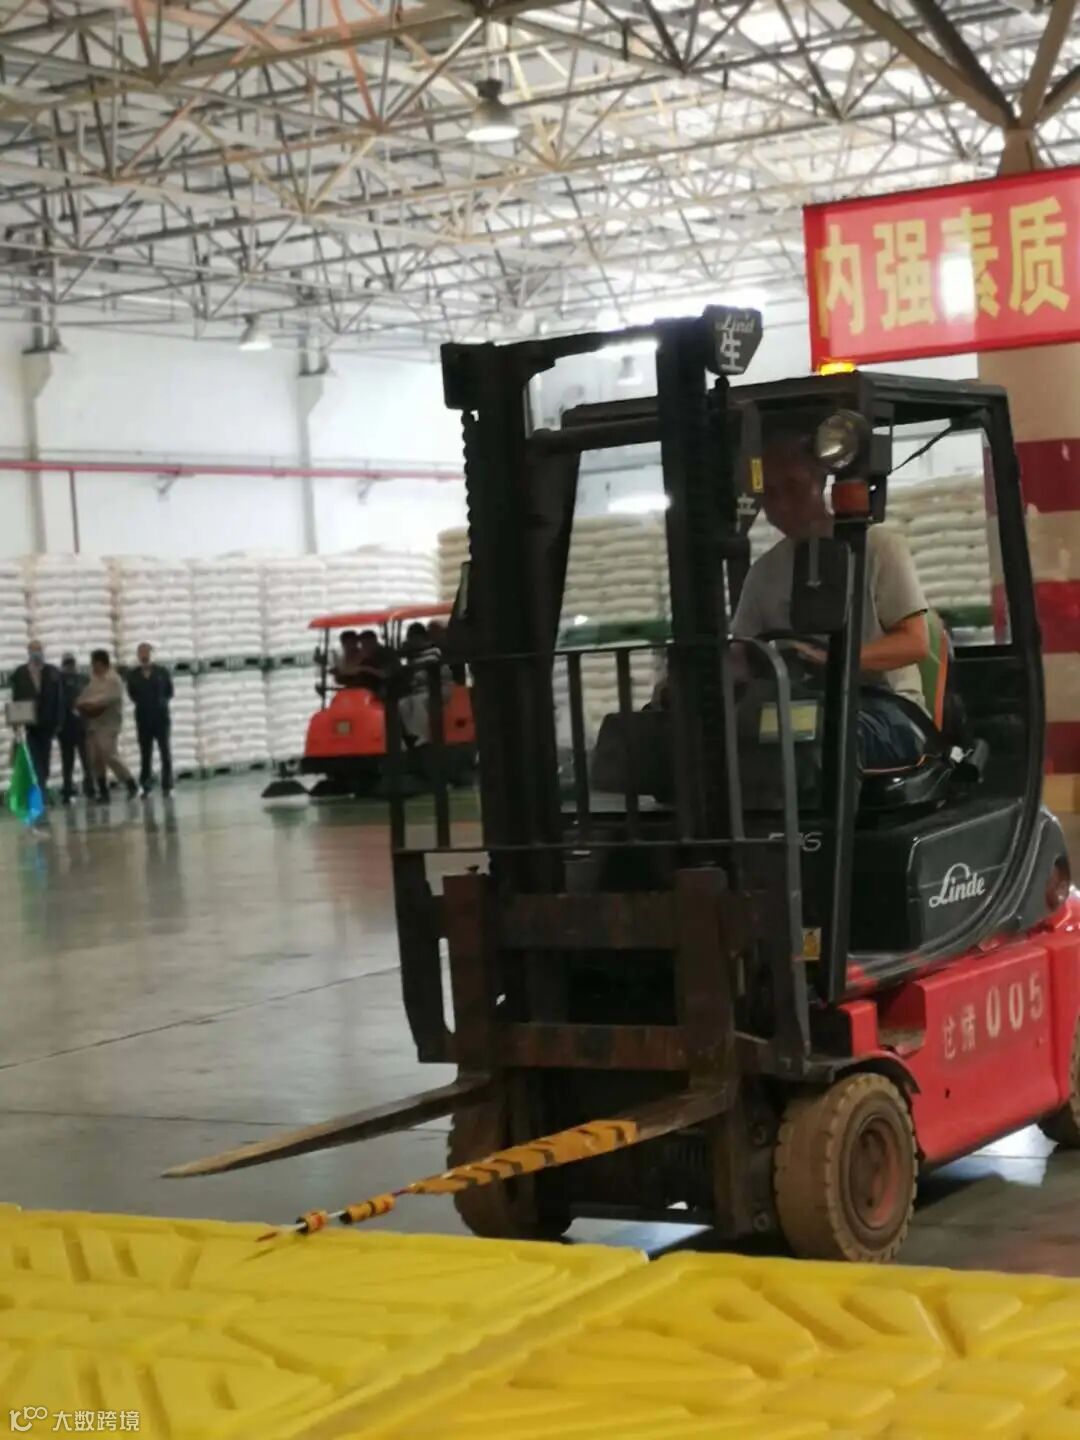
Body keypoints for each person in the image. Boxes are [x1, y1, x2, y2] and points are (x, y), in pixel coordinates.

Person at [732, 429, 930, 770]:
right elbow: (741, 649)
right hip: (799, 705)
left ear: (820, 480)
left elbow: (914, 644)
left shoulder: (878, 548)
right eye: (771, 494)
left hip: (885, 707)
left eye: (794, 487)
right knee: (724, 738)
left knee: (822, 740)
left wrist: (833, 660)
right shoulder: (763, 572)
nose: (782, 505)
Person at [76, 649, 138, 801]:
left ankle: (130, 782)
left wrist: (89, 703)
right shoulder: (94, 679)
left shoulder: (113, 680)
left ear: (101, 663)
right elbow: (83, 697)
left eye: (94, 663)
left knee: (109, 755)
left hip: (109, 724)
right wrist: (82, 703)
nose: (92, 666)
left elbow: (106, 699)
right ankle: (103, 790)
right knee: (95, 758)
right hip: (93, 724)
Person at [10, 640, 61, 798]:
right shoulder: (20, 673)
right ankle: (40, 791)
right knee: (34, 758)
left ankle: (42, 783)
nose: (36, 653)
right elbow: (16, 699)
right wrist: (16, 722)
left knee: (44, 758)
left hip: (47, 723)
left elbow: (59, 698)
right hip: (29, 724)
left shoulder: (52, 672)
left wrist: (59, 721)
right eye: (33, 650)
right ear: (28, 652)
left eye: (38, 649)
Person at [126, 642, 174, 795]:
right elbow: (132, 694)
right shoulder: (133, 675)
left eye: (146, 652)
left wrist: (161, 703)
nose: (144, 656)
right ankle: (146, 784)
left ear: (152, 654)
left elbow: (169, 691)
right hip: (143, 718)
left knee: (165, 751)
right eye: (141, 653)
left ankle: (168, 785)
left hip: (161, 718)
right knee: (145, 753)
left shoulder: (162, 672)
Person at [57, 653, 93, 803]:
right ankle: (78, 787)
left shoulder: (61, 680)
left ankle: (78, 787)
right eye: (68, 664)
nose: (70, 668)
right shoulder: (80, 680)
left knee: (78, 760)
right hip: (73, 726)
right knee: (75, 760)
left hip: (73, 726)